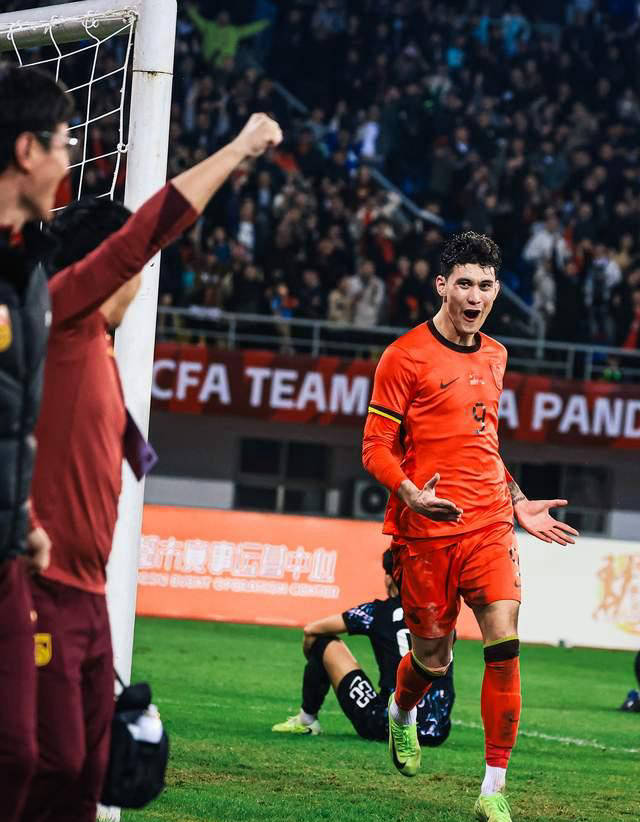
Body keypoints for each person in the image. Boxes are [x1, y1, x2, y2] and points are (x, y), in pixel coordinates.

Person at [21, 112, 282, 822]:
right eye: (133, 264)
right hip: (42, 590)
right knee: (47, 767)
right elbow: (149, 229)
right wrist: (239, 147)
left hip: (87, 594)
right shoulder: (64, 318)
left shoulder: (97, 347)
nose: (140, 274)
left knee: (93, 776)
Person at [362, 231, 578, 822]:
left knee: (504, 642)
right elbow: (375, 447)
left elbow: (483, 444)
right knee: (432, 659)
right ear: (442, 286)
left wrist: (518, 500)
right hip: (426, 531)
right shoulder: (403, 356)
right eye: (464, 284)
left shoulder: (496, 355)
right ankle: (401, 711)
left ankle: (492, 788)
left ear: (497, 290)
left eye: (485, 285)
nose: (475, 296)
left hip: (489, 525)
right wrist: (409, 492)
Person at [0, 63, 75, 822]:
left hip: (6, 554)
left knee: (20, 753)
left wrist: (21, 515)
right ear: (27, 150)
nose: (69, 159)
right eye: (63, 142)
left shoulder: (29, 265)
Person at [272, 549, 455, 746]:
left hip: (387, 725)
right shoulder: (440, 614)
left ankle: (306, 720)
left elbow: (311, 630)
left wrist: (317, 665)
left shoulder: (376, 612)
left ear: (390, 578)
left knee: (321, 641)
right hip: (436, 730)